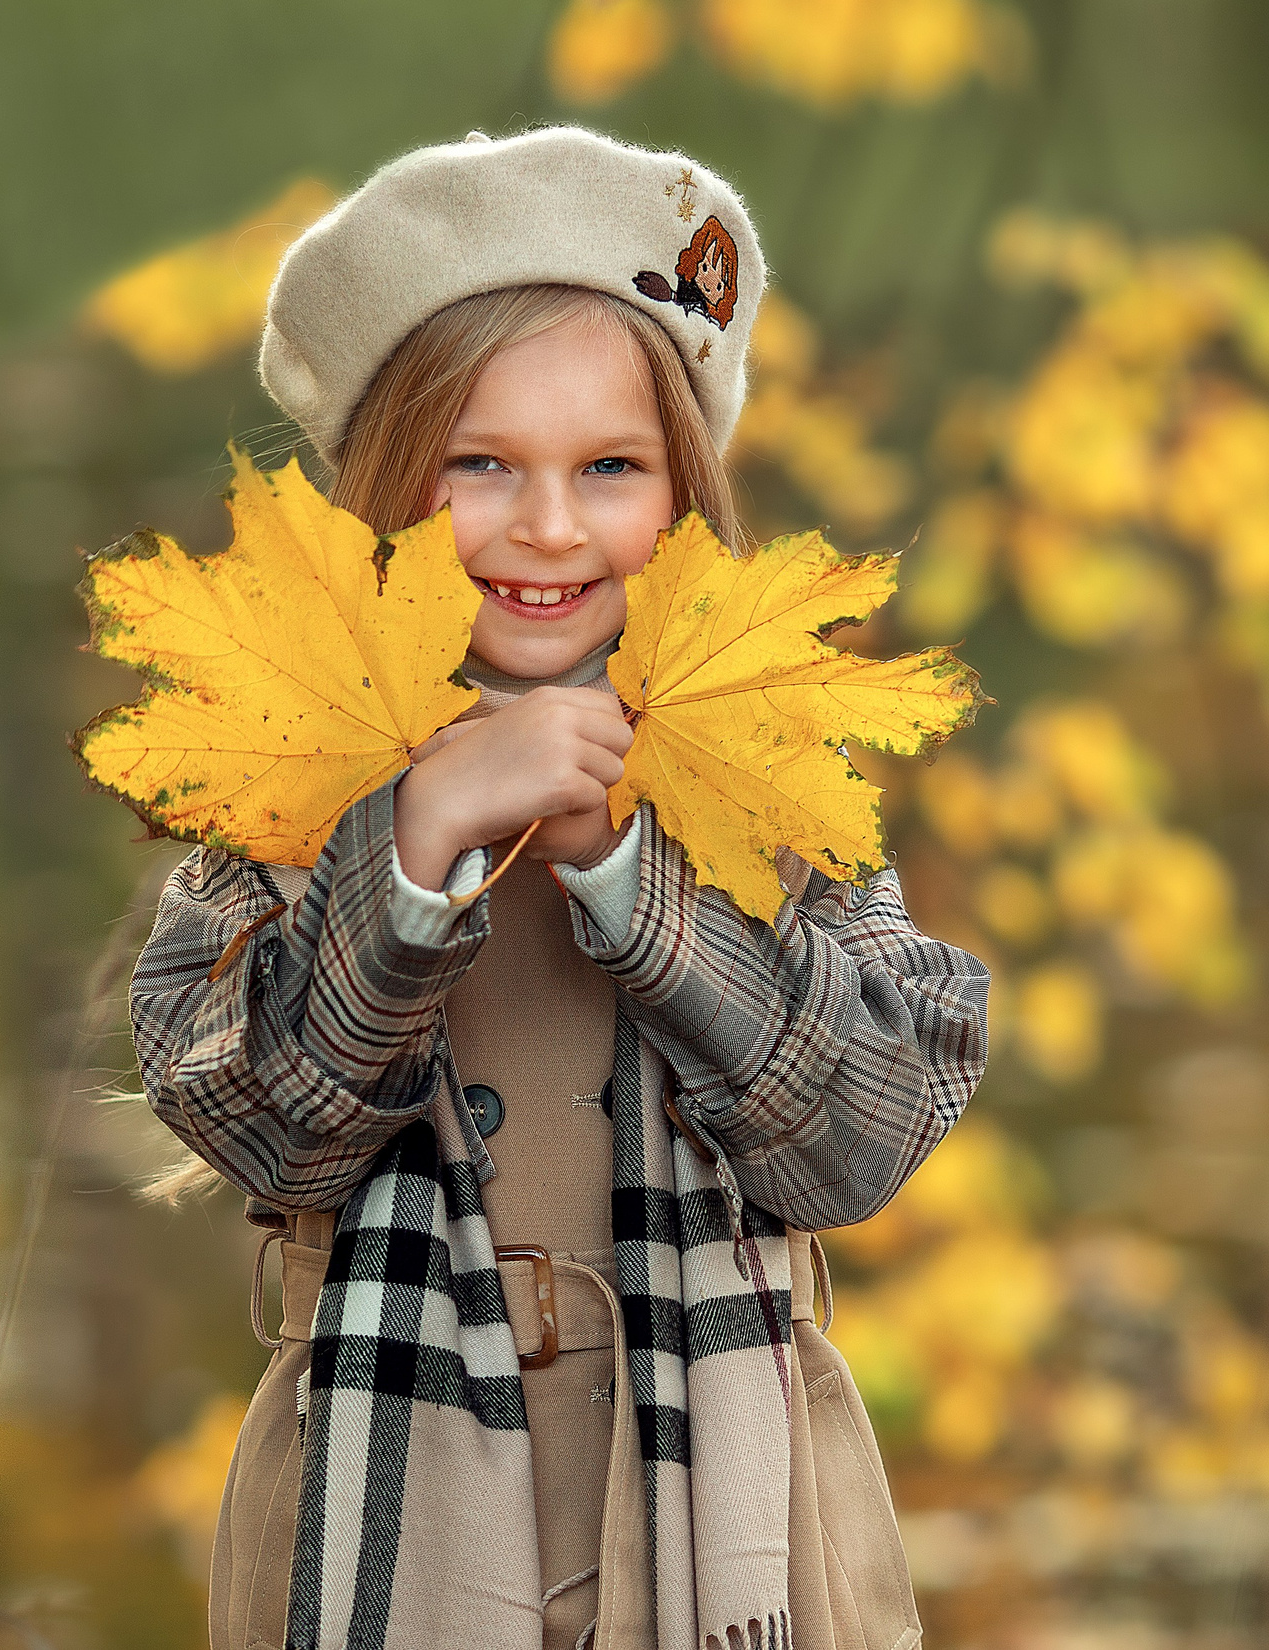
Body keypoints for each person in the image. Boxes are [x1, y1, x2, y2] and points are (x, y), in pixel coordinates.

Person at [128, 126, 989, 1650]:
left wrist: (624, 869)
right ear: (387, 490)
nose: (546, 526)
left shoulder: (760, 774)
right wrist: (412, 850)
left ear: (681, 495)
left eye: (609, 467)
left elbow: (861, 1139)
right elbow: (256, 1118)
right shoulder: (294, 779)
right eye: (481, 464)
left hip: (732, 1493)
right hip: (383, 1480)